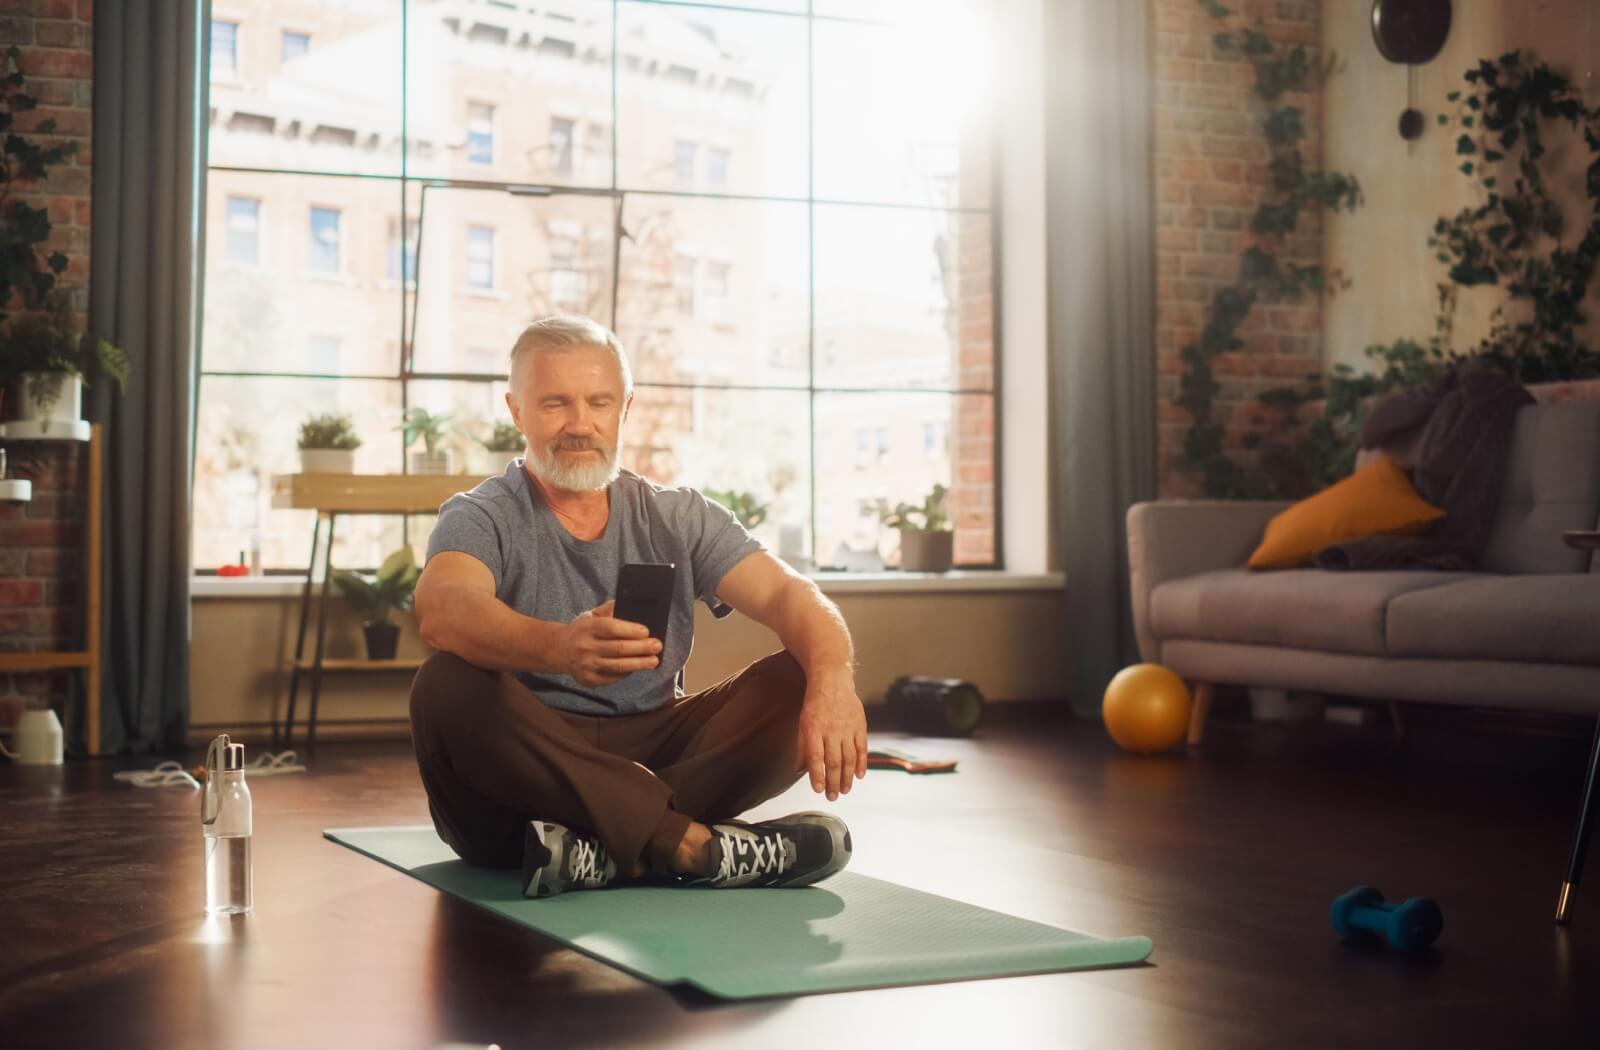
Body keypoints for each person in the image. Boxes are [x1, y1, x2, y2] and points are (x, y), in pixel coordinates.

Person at [408, 315, 868, 898]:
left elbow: (786, 594)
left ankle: (602, 849)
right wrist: (559, 647)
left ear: (625, 409)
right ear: (516, 411)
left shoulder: (677, 514)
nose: (580, 425)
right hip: (527, 774)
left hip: (654, 751)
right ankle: (690, 845)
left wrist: (831, 678)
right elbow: (444, 607)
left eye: (598, 403)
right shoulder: (480, 514)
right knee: (443, 684)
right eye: (555, 404)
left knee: (803, 670)